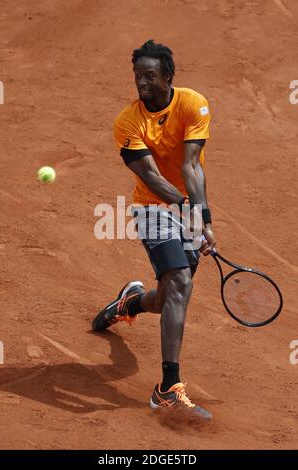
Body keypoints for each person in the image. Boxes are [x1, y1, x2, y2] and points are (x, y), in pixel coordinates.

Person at [92, 40, 216, 419]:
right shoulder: (128, 122)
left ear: (168, 76)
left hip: (185, 207)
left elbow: (191, 166)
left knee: (167, 298)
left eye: (149, 76)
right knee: (181, 282)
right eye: (137, 76)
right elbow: (151, 175)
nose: (141, 83)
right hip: (152, 208)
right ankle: (167, 388)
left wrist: (202, 218)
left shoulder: (193, 104)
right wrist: (183, 208)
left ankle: (129, 303)